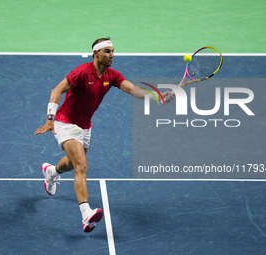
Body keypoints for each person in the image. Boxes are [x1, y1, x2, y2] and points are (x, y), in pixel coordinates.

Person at [34, 37, 174, 233]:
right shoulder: (82, 72)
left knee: (74, 162)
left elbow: (133, 90)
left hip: (85, 126)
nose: (112, 55)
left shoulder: (112, 75)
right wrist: (50, 118)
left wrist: (157, 97)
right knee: (81, 165)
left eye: (113, 51)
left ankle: (51, 172)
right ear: (96, 54)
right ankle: (86, 214)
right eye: (107, 51)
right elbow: (56, 90)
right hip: (65, 122)